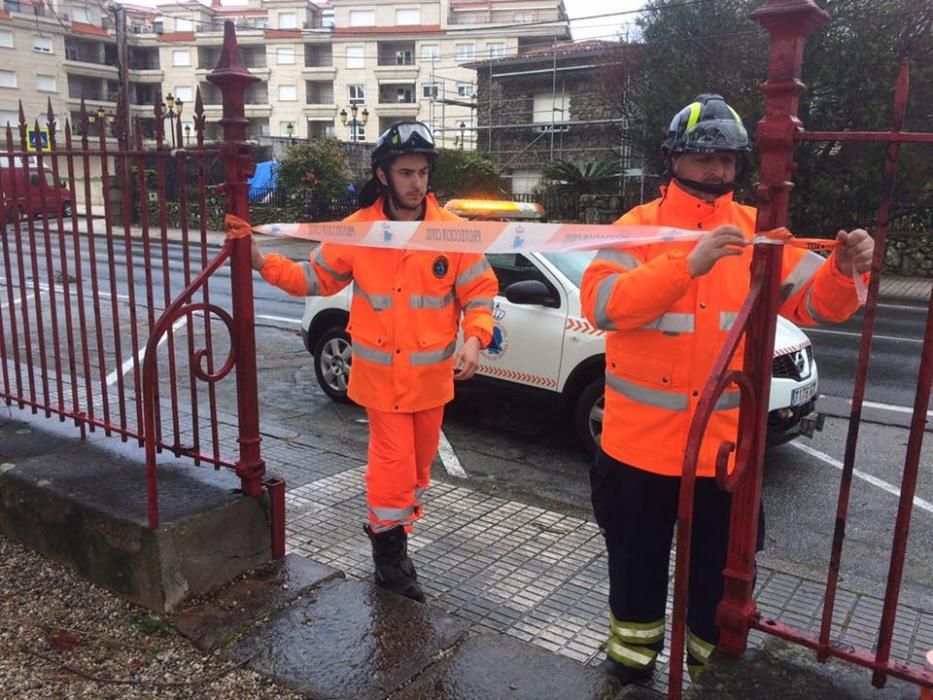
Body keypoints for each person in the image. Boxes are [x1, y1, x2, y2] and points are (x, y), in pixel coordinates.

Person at [580, 94, 874, 683]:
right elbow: (604, 306)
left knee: (716, 578)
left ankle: (711, 676)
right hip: (640, 450)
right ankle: (630, 668)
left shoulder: (761, 230)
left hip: (724, 455)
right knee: (635, 568)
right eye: (702, 157)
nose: (716, 171)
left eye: (726, 159)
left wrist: (846, 269)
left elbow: (815, 303)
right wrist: (684, 264)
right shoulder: (634, 230)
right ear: (672, 159)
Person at [251, 121, 498, 602]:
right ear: (383, 175)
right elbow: (315, 279)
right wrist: (263, 264)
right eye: (406, 172)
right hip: (380, 379)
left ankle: (395, 531)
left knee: (419, 471)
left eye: (423, 172)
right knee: (392, 468)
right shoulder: (360, 231)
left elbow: (481, 291)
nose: (416, 182)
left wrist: (475, 338)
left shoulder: (453, 232)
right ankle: (390, 559)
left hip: (431, 381)